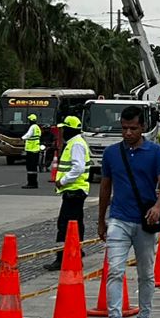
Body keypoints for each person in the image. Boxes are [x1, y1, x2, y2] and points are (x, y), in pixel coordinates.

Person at [96, 104, 160, 318]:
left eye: (133, 128)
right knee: (115, 271)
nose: (128, 133)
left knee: (146, 274)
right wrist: (101, 220)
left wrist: (158, 206)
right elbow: (105, 188)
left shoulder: (155, 152)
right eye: (124, 128)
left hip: (144, 221)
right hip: (118, 219)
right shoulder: (111, 154)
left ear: (142, 128)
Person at [48, 115, 91, 270]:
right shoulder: (76, 142)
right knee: (76, 224)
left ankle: (62, 258)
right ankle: (77, 251)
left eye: (65, 128)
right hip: (76, 191)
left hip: (74, 190)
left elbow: (78, 168)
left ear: (70, 129)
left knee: (64, 225)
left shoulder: (76, 144)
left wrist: (62, 180)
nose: (63, 131)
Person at [21, 114, 43, 189]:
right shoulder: (37, 127)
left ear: (30, 120)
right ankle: (34, 182)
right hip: (36, 149)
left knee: (30, 167)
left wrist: (22, 138)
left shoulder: (32, 127)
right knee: (33, 167)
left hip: (31, 150)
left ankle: (31, 183)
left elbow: (28, 135)